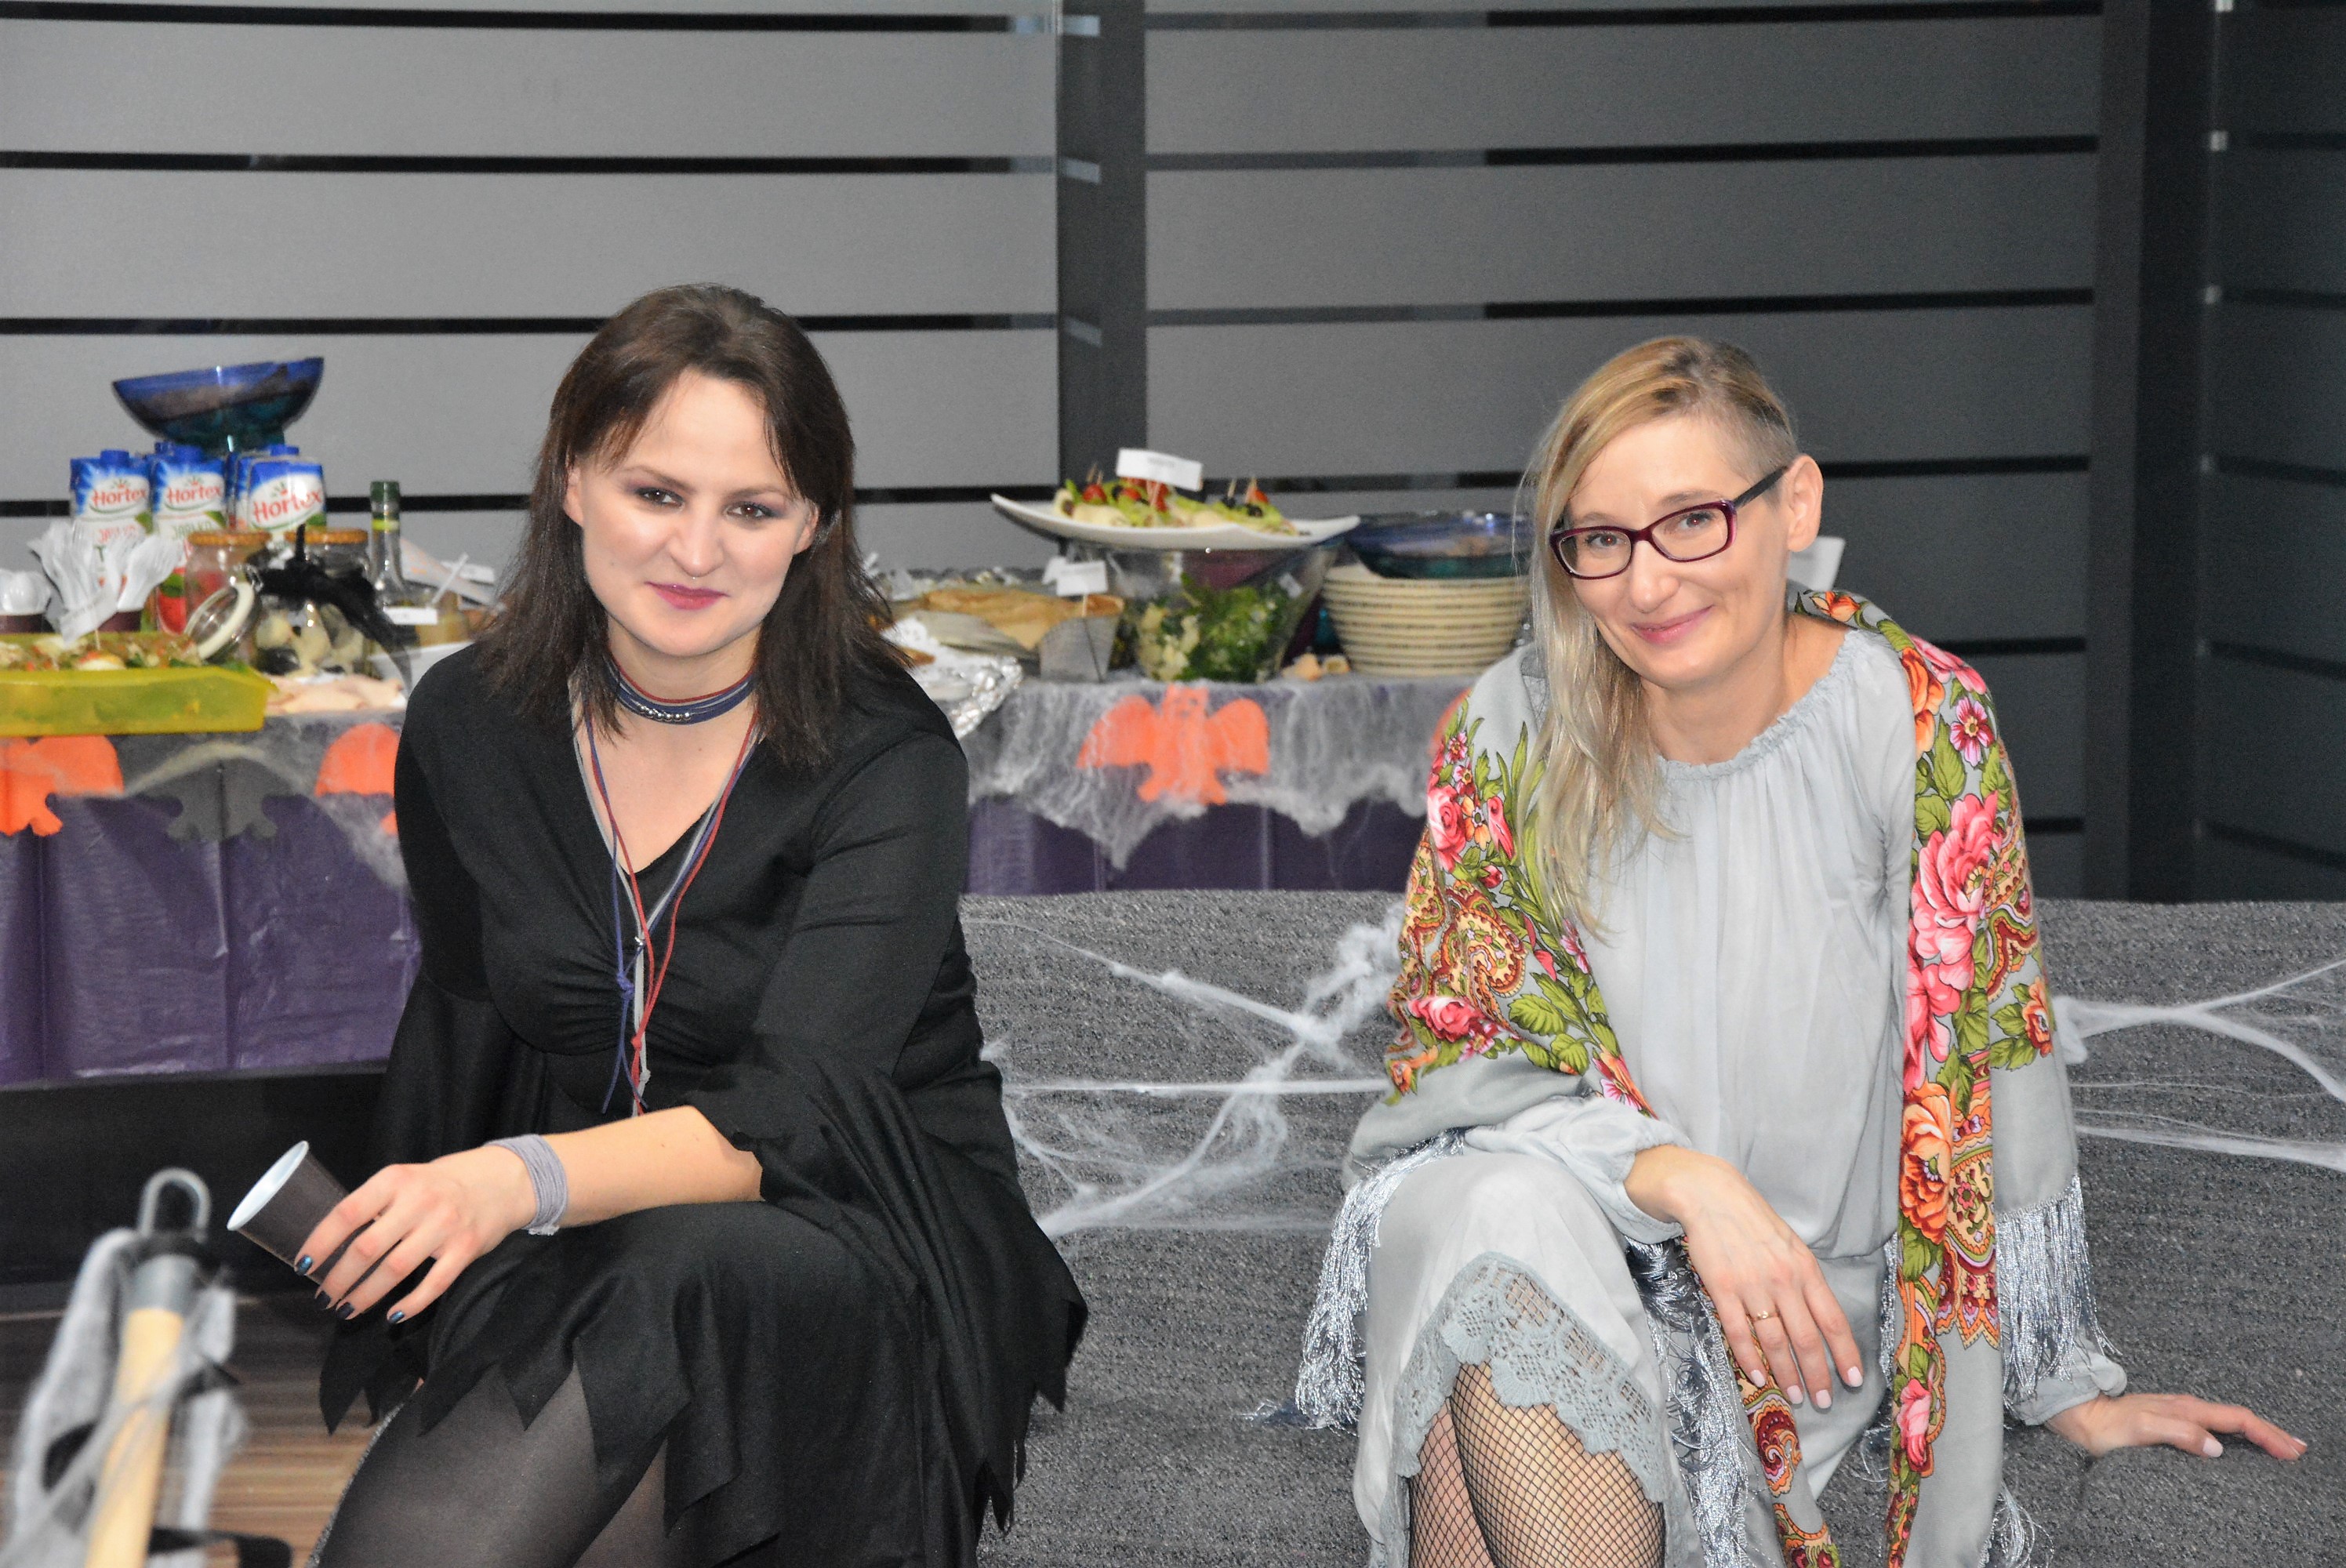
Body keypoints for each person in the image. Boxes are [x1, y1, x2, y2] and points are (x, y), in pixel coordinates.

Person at [1291, 338, 2304, 1568]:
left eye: (1692, 521)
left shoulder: (1915, 724)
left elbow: (1999, 1055)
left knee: (1476, 1439)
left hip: (1786, 1318)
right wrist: (1686, 1181)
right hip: (1551, 1225)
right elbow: (1462, 1073)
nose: (1646, 583)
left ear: (1797, 505)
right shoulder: (1510, 731)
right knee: (1495, 1213)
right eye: (1599, 539)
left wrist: (2057, 1375)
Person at [293, 284, 1085, 1568]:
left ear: (813, 527)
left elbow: (795, 1118)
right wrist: (433, 1271)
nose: (697, 552)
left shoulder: (890, 759)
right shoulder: (467, 725)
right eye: (656, 493)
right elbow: (465, 1025)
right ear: (571, 482)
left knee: (666, 1282)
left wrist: (511, 1185)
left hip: (851, 1229)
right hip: (580, 1235)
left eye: (752, 509)